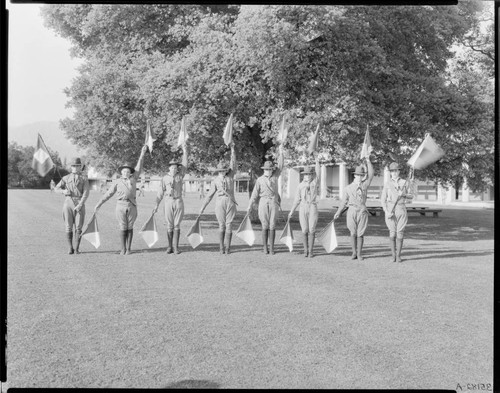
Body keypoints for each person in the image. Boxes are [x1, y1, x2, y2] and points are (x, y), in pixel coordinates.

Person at [94, 145, 147, 255]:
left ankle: (129, 248)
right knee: (123, 227)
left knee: (130, 226)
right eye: (124, 171)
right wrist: (99, 203)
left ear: (130, 173)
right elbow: (108, 194)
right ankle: (122, 248)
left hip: (131, 205)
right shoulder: (117, 182)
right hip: (120, 206)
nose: (126, 173)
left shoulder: (134, 178)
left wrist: (142, 153)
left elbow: (139, 165)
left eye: (128, 171)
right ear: (121, 172)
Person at [199, 143, 237, 254]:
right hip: (220, 202)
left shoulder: (230, 176)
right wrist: (203, 207)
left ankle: (228, 248)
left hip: (230, 201)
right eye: (220, 171)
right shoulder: (215, 181)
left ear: (226, 170)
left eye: (224, 170)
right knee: (221, 225)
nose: (222, 172)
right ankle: (221, 247)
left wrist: (233, 151)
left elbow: (233, 164)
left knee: (229, 224)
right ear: (218, 171)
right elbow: (209, 195)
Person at [334, 155, 374, 260]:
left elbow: (371, 175)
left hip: (362, 211)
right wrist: (338, 212)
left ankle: (360, 254)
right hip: (351, 211)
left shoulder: (364, 185)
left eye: (362, 175)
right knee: (352, 232)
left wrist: (368, 162)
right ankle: (354, 253)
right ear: (355, 176)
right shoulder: (348, 188)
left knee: (360, 233)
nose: (360, 177)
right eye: (358, 175)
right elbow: (343, 202)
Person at [246, 146, 284, 255]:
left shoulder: (275, 177)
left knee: (272, 224)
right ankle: (265, 247)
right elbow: (254, 194)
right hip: (263, 202)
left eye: (270, 169)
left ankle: (271, 248)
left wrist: (281, 153)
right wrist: (250, 205)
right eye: (266, 169)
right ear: (264, 170)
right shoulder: (260, 180)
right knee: (264, 225)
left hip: (273, 202)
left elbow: (281, 166)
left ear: (272, 169)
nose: (268, 171)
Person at [153, 143, 188, 254]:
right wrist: (156, 204)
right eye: (172, 167)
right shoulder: (164, 178)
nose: (174, 169)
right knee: (169, 224)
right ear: (169, 168)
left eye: (175, 167)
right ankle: (169, 247)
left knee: (177, 224)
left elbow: (185, 164)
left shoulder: (180, 175)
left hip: (178, 201)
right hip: (168, 201)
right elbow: (160, 192)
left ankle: (176, 247)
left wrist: (185, 151)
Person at [54, 158, 90, 254]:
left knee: (78, 227)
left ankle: (77, 248)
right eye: (73, 166)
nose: (75, 167)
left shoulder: (84, 178)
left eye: (77, 166)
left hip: (79, 202)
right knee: (68, 226)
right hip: (68, 202)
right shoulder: (65, 178)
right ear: (71, 167)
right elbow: (56, 188)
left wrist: (80, 204)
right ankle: (70, 248)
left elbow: (86, 193)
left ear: (80, 167)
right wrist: (63, 191)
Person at [381, 162, 415, 263]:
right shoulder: (387, 184)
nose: (394, 173)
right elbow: (383, 200)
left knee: (400, 232)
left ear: (399, 171)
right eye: (392, 171)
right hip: (390, 209)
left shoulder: (405, 182)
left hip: (401, 209)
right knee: (392, 233)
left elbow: (411, 196)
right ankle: (393, 256)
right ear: (390, 172)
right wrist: (386, 211)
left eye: (396, 170)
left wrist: (403, 194)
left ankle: (399, 256)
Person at [288, 155, 321, 258]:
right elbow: (296, 200)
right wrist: (292, 211)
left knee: (312, 228)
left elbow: (319, 173)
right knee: (304, 229)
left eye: (309, 174)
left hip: (312, 207)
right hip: (303, 207)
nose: (307, 176)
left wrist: (317, 162)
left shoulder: (315, 183)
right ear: (303, 175)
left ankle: (311, 251)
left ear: (312, 175)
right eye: (305, 175)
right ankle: (305, 250)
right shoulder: (300, 186)